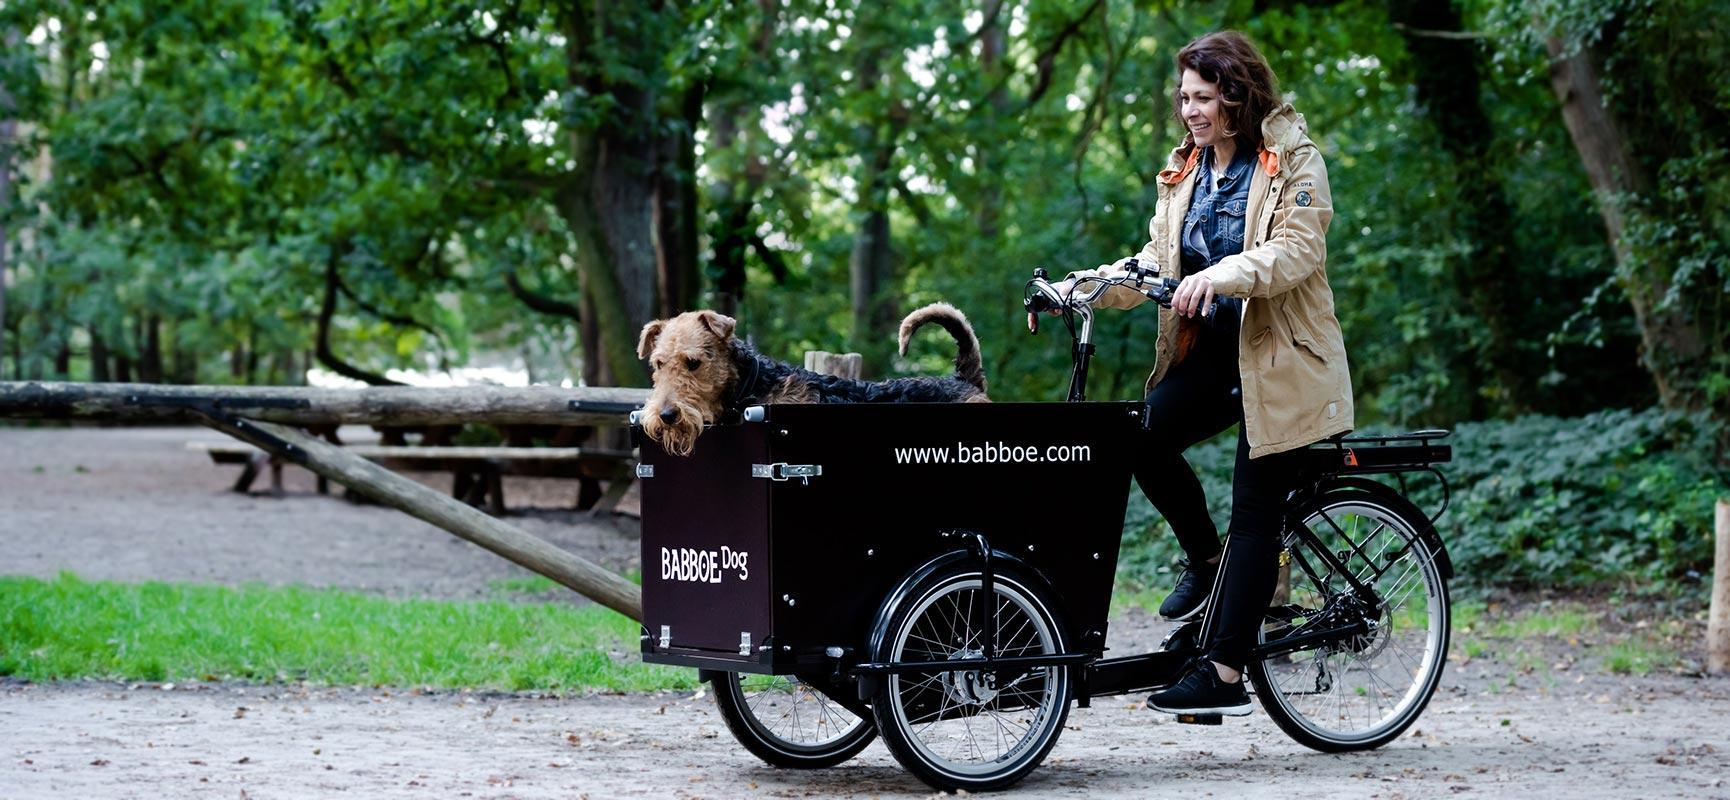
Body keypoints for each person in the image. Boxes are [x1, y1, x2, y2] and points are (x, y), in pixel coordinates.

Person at [1037, 31, 1353, 716]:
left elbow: (1294, 253)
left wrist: (1217, 275)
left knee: (1255, 511)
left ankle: (1226, 673)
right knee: (1137, 437)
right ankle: (1208, 565)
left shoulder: (1293, 161)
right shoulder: (1188, 170)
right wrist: (1077, 288)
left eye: (1204, 97)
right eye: (1184, 97)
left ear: (1238, 95)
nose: (1190, 110)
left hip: (1282, 362)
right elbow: (1155, 259)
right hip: (1213, 359)